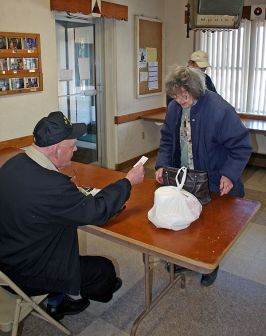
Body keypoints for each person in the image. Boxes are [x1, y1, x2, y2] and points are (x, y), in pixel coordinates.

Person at [0, 111, 145, 320]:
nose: (76, 149)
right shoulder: (52, 186)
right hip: (26, 273)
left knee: (64, 235)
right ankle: (70, 296)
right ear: (56, 148)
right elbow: (97, 211)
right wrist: (128, 181)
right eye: (72, 145)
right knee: (104, 271)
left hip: (8, 258)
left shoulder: (12, 164)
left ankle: (55, 302)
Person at [156, 67, 252, 286]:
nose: (179, 100)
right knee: (186, 219)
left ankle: (210, 264)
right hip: (183, 176)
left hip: (213, 177)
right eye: (175, 95)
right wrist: (162, 165)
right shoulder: (174, 109)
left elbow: (241, 145)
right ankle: (185, 258)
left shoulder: (219, 109)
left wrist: (229, 174)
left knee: (211, 224)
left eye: (184, 95)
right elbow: (167, 140)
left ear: (196, 90)